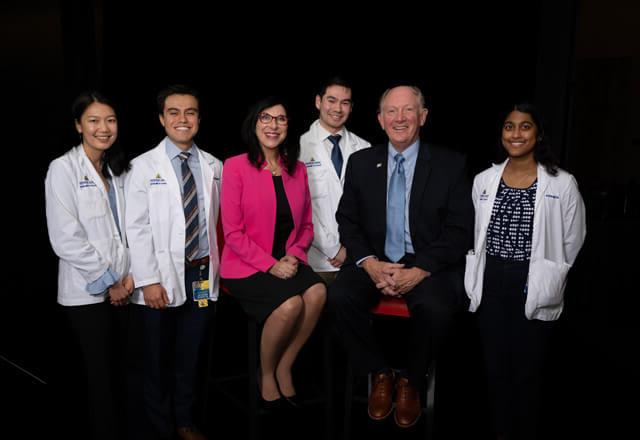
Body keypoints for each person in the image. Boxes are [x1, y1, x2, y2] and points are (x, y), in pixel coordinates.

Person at [329, 84, 473, 428]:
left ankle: (410, 379)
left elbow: (459, 229)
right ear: (380, 120)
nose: (399, 118)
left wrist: (421, 268)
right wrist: (369, 263)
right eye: (391, 111)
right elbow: (346, 220)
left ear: (422, 116)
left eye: (408, 110)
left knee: (437, 307)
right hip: (376, 259)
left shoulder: (451, 164)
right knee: (338, 296)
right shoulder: (361, 162)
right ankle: (378, 373)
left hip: (427, 260)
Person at [464, 102, 586, 440]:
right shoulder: (484, 180)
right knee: (495, 368)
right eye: (509, 126)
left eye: (525, 126)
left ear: (539, 133)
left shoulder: (562, 183)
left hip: (531, 281)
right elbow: (477, 230)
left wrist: (551, 272)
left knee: (527, 371)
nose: (516, 134)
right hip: (491, 280)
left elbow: (573, 238)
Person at [125, 84, 222, 440]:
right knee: (155, 358)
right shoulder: (142, 166)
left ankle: (183, 421)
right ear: (162, 119)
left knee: (190, 355)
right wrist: (148, 280)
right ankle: (158, 427)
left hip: (199, 275)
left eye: (190, 112)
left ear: (199, 118)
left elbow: (216, 224)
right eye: (175, 112)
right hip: (160, 280)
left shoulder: (214, 165)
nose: (183, 119)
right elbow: (135, 228)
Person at [220, 96, 327, 408]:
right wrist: (270, 265)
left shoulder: (298, 170)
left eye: (280, 119)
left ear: (287, 126)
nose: (273, 125)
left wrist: (293, 254)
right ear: (255, 124)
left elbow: (306, 225)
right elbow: (233, 234)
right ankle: (265, 373)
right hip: (247, 265)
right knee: (290, 304)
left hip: (288, 260)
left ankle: (284, 364)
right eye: (265, 118)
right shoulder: (236, 167)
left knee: (318, 292)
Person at [45, 91, 134, 440]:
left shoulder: (119, 170)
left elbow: (131, 230)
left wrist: (129, 279)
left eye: (110, 120)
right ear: (78, 125)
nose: (103, 128)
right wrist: (111, 281)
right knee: (100, 378)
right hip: (87, 294)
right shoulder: (62, 169)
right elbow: (65, 238)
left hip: (126, 287)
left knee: (125, 372)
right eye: (94, 120)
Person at [299, 76, 370, 284]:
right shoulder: (298, 148)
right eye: (331, 100)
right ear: (318, 102)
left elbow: (369, 208)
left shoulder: (365, 149)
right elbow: (301, 208)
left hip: (358, 259)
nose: (338, 108)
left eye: (345, 102)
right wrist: (334, 248)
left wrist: (353, 248)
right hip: (314, 260)